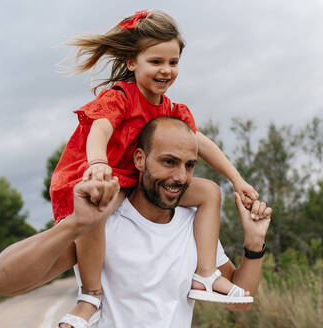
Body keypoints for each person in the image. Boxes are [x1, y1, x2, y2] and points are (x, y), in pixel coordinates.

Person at [48, 9, 259, 326]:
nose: (166, 70)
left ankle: (205, 274)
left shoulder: (172, 110)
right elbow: (99, 132)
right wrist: (98, 164)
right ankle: (90, 295)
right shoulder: (120, 97)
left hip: (137, 178)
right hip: (103, 175)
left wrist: (237, 179)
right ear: (132, 62)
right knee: (97, 210)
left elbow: (202, 143)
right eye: (156, 62)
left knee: (209, 192)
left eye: (173, 62)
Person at [0, 117, 271, 328]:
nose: (181, 177)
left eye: (189, 165)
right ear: (139, 159)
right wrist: (74, 225)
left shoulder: (195, 227)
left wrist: (254, 245)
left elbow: (238, 302)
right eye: (169, 162)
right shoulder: (101, 223)